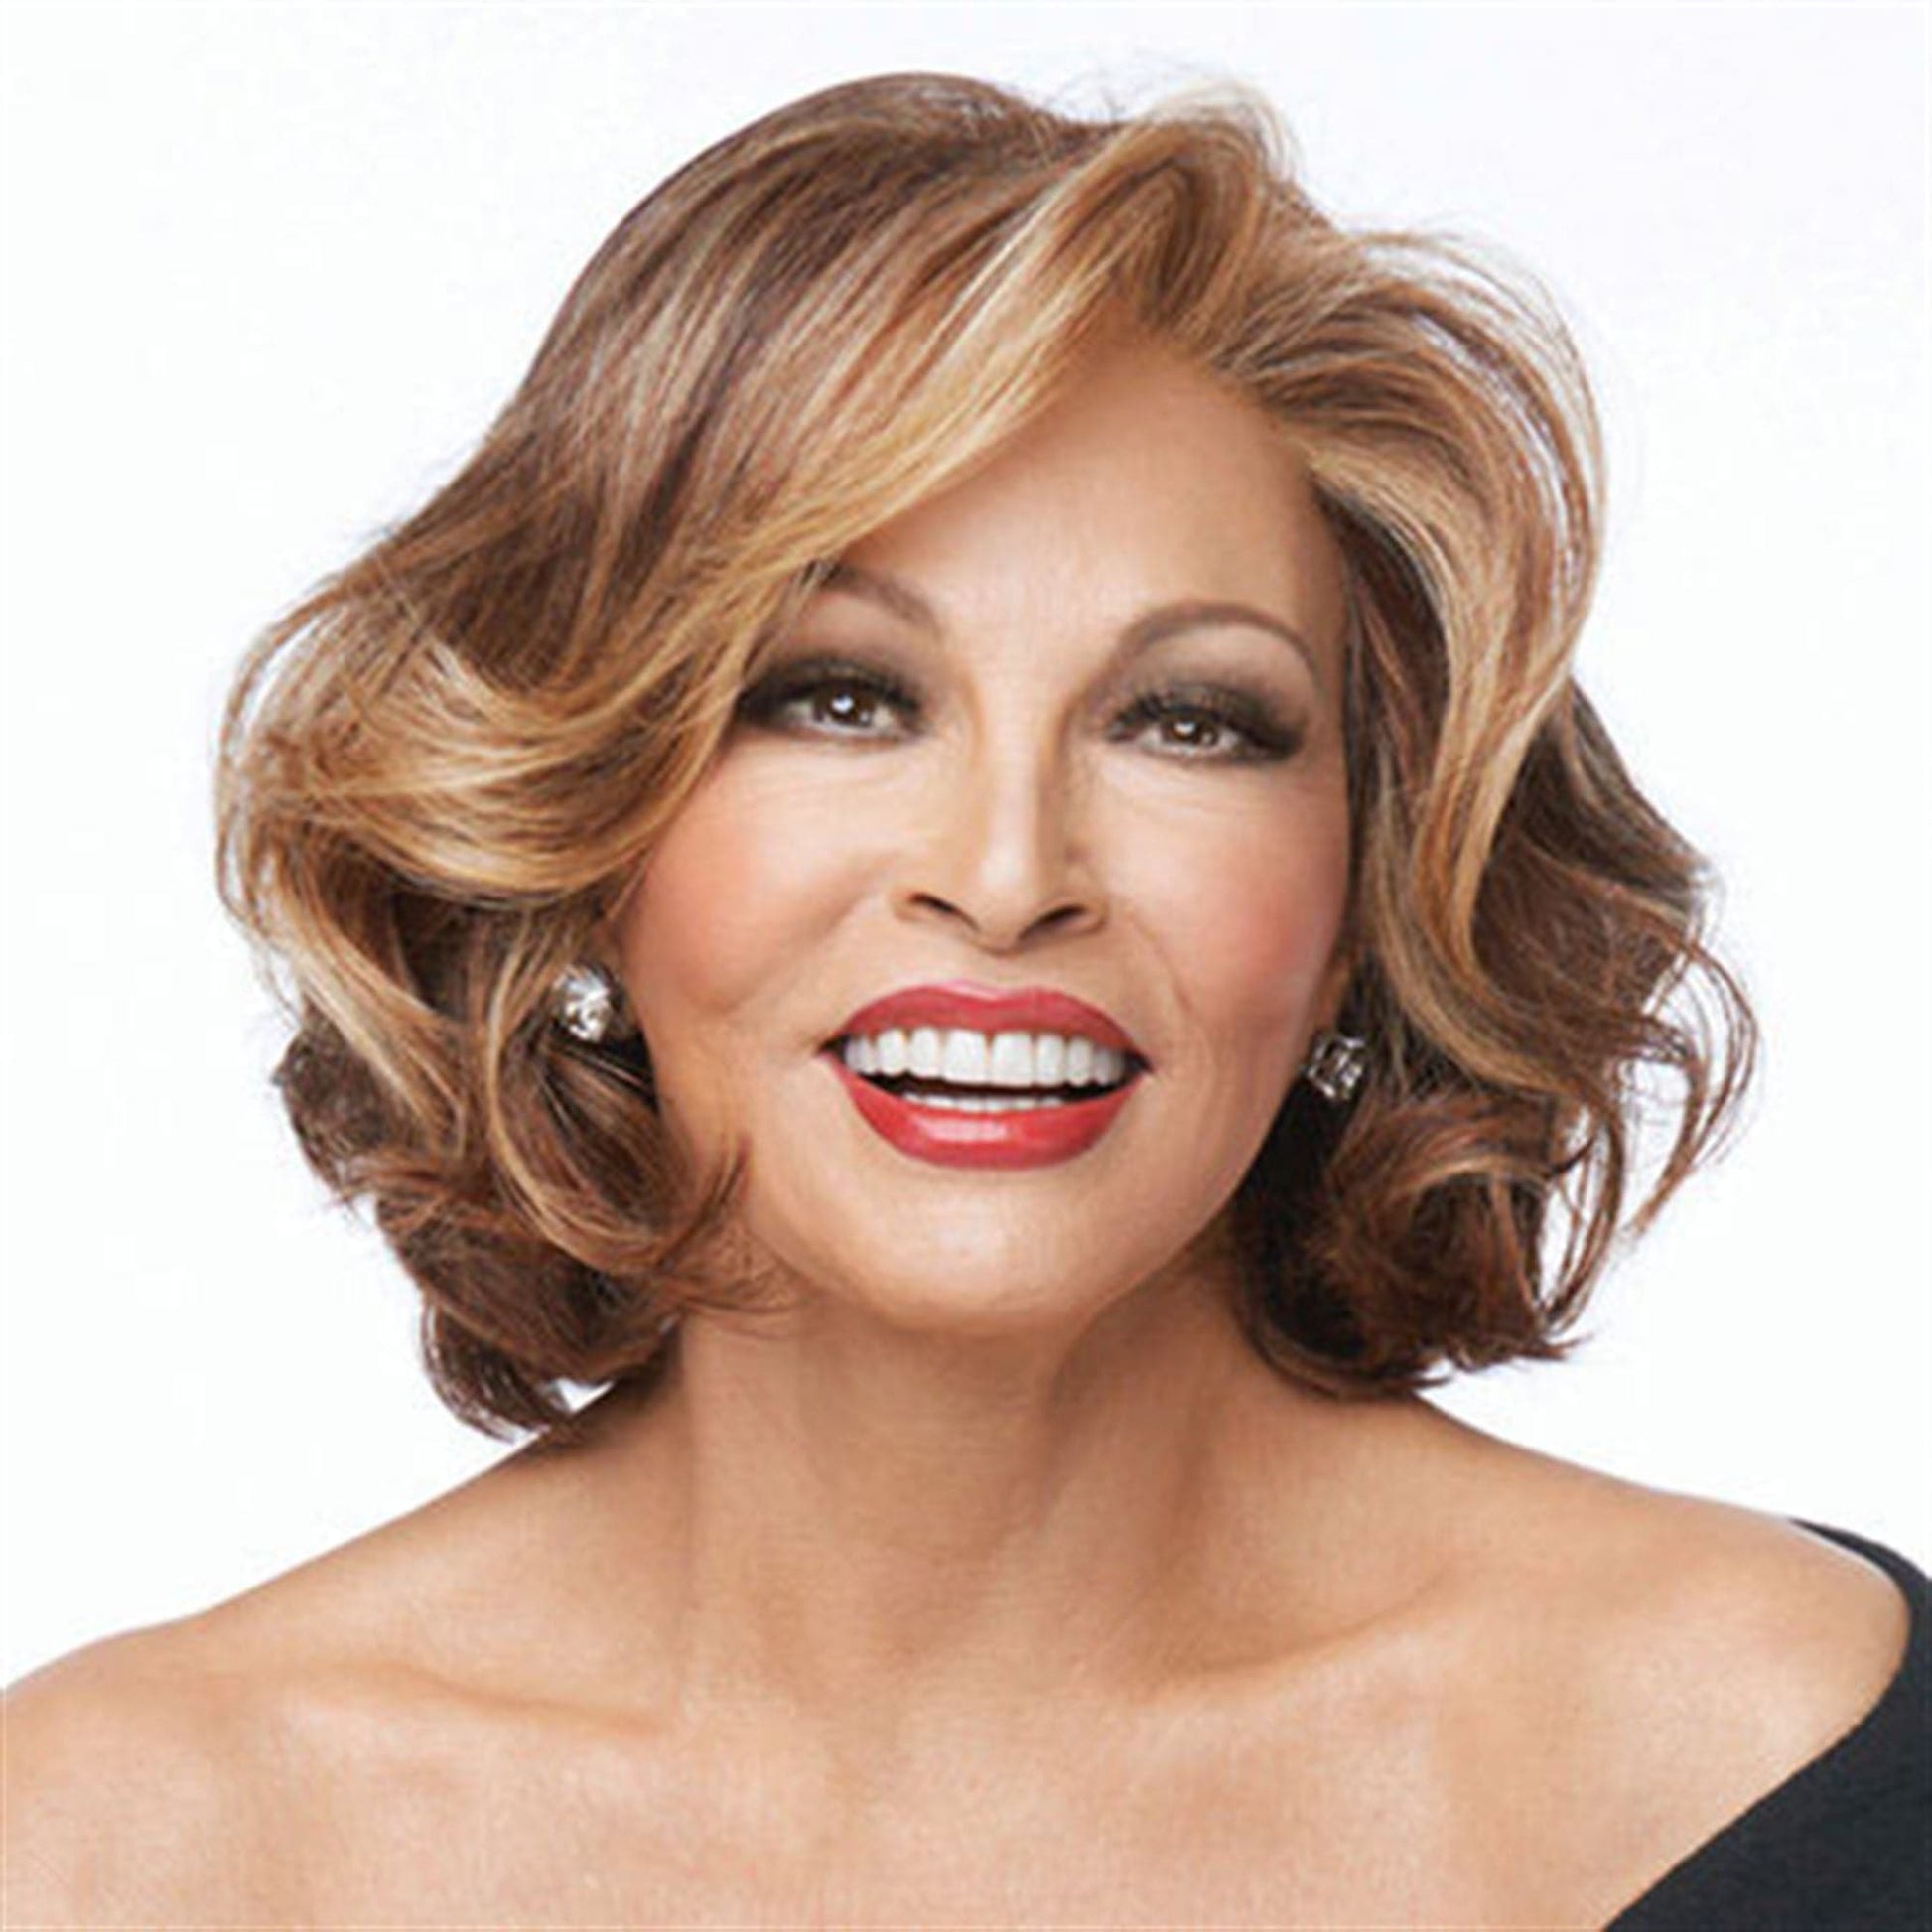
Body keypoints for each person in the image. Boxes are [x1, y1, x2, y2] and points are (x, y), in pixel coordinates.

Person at [5, 70, 1925, 1929]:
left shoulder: (1766, 1757)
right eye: (840, 695)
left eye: (1189, 720)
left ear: (1370, 880)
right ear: (576, 829)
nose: (1008, 875)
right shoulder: (117, 1849)